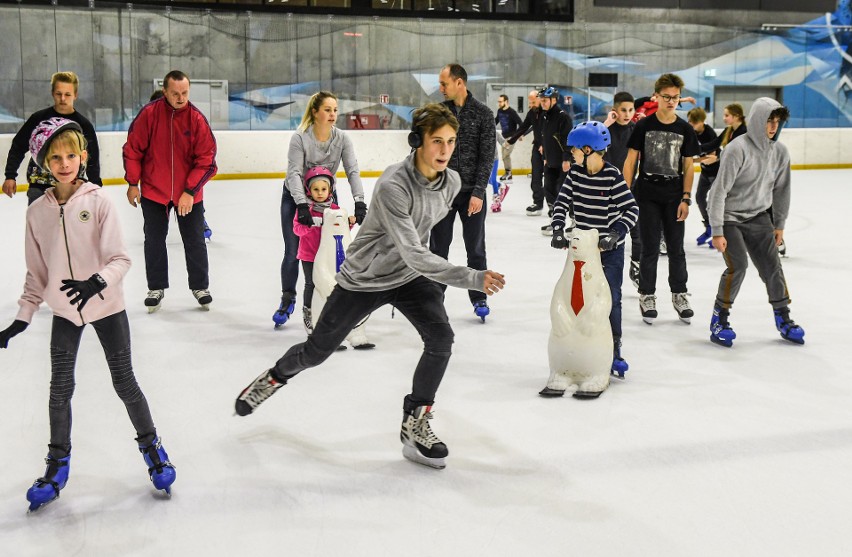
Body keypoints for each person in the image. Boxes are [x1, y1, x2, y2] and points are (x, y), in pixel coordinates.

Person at [234, 103, 507, 470]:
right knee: (317, 352)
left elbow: (424, 241)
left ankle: (415, 423)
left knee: (441, 340)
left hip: (410, 279)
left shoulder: (452, 183)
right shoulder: (394, 184)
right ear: (417, 142)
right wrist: (472, 276)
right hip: (364, 279)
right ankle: (273, 377)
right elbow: (413, 251)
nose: (445, 150)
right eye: (437, 141)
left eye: (451, 142)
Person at [0, 118, 175, 512]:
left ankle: (153, 450)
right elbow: (37, 275)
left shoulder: (98, 202)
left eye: (71, 156)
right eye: (55, 157)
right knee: (59, 389)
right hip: (65, 311)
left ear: (83, 157)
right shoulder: (37, 214)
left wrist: (97, 283)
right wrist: (21, 318)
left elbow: (121, 258)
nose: (64, 164)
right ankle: (56, 465)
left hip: (106, 306)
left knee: (125, 382)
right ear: (44, 162)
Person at [707, 98, 804, 347]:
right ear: (758, 120)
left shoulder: (780, 152)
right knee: (738, 266)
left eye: (777, 122)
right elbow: (718, 191)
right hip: (730, 218)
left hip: (759, 217)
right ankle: (720, 319)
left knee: (773, 267)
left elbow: (782, 191)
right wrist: (716, 230)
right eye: (769, 121)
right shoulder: (737, 149)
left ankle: (783, 318)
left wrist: (779, 224)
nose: (773, 127)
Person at [123, 70, 218, 313]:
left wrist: (189, 190)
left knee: (195, 241)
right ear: (164, 91)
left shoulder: (196, 119)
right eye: (175, 93)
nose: (180, 97)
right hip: (155, 192)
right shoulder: (149, 115)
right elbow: (133, 149)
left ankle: (200, 287)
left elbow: (207, 161)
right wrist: (133, 183)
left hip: (189, 194)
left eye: (184, 93)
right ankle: (155, 288)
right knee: (154, 240)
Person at [550, 121, 639, 377]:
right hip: (583, 250)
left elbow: (632, 209)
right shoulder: (575, 175)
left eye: (574, 150)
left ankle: (615, 345)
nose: (572, 154)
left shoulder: (612, 176)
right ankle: (581, 343)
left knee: (610, 296)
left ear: (588, 150)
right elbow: (561, 203)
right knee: (576, 296)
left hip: (609, 251)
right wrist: (558, 228)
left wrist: (616, 233)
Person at [275, 91, 367, 328]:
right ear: (315, 112)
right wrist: (302, 205)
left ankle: (328, 302)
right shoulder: (300, 138)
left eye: (335, 110)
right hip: (297, 198)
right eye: (327, 109)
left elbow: (352, 170)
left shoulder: (342, 139)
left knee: (329, 250)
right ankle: (288, 299)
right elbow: (294, 173)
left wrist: (359, 200)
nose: (333, 114)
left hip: (326, 198)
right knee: (294, 250)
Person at [623, 73, 700, 325]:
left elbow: (688, 166)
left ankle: (679, 294)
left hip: (674, 196)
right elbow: (631, 160)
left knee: (677, 249)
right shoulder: (644, 126)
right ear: (656, 96)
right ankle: (647, 294)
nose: (671, 101)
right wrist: (625, 193)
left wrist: (686, 198)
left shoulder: (685, 129)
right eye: (666, 97)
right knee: (649, 248)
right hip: (646, 195)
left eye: (675, 97)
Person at [431, 63, 496, 320]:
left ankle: (479, 296)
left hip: (472, 193)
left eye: (444, 83)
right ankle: (434, 298)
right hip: (443, 193)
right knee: (437, 250)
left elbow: (487, 156)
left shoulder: (483, 114)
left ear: (460, 82)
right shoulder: (438, 113)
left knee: (476, 249)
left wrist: (479, 192)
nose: (441, 88)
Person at [3, 71, 101, 204]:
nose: (62, 99)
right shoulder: (38, 119)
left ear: (75, 95)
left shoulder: (83, 125)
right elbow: (18, 147)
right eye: (58, 94)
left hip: (71, 187)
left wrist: (95, 186)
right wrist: (10, 175)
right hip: (39, 186)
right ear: (52, 93)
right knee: (38, 224)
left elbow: (92, 158)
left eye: (67, 94)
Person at [292, 165, 356, 334]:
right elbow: (296, 229)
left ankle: (332, 316)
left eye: (323, 189)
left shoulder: (334, 210)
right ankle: (309, 312)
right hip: (310, 255)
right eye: (315, 189)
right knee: (312, 283)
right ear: (309, 190)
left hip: (328, 255)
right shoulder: (305, 210)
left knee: (332, 284)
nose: (320, 193)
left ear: (330, 190)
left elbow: (340, 231)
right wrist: (308, 224)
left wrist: (349, 222)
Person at [695, 103, 746, 247]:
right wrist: (692, 148)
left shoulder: (743, 133)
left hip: (738, 175)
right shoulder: (729, 130)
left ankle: (729, 233)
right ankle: (714, 229)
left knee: (725, 204)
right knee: (708, 199)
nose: (724, 118)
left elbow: (737, 155)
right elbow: (714, 144)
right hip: (728, 171)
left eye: (727, 115)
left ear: (736, 116)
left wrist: (717, 159)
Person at [603, 91, 640, 289]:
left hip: (631, 187)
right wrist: (607, 123)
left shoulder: (636, 129)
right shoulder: (605, 130)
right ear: (615, 110)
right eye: (623, 110)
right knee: (612, 231)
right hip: (608, 189)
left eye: (630, 110)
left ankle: (636, 266)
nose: (627, 114)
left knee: (637, 229)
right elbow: (588, 141)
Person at [538, 85, 573, 235]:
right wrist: (545, 157)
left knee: (564, 192)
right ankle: (555, 222)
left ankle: (574, 220)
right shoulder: (545, 116)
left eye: (545, 100)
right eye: (541, 100)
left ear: (554, 100)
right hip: (550, 161)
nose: (542, 103)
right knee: (549, 190)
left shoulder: (563, 116)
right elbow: (546, 138)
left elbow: (567, 139)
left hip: (562, 163)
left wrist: (567, 159)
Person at [506, 89, 545, 215]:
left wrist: (545, 145)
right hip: (537, 148)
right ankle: (538, 203)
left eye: (533, 102)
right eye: (530, 102)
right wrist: (511, 141)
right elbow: (523, 127)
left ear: (540, 99)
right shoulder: (532, 113)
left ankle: (553, 205)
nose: (531, 105)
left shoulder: (549, 113)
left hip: (550, 149)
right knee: (536, 177)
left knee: (551, 178)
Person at [495, 94, 523, 182]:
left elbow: (520, 123)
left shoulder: (512, 112)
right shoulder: (499, 111)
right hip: (504, 137)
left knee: (505, 155)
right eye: (498, 101)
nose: (499, 103)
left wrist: (520, 134)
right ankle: (508, 173)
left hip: (512, 137)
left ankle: (509, 174)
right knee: (504, 156)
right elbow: (496, 121)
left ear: (506, 102)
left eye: (500, 101)